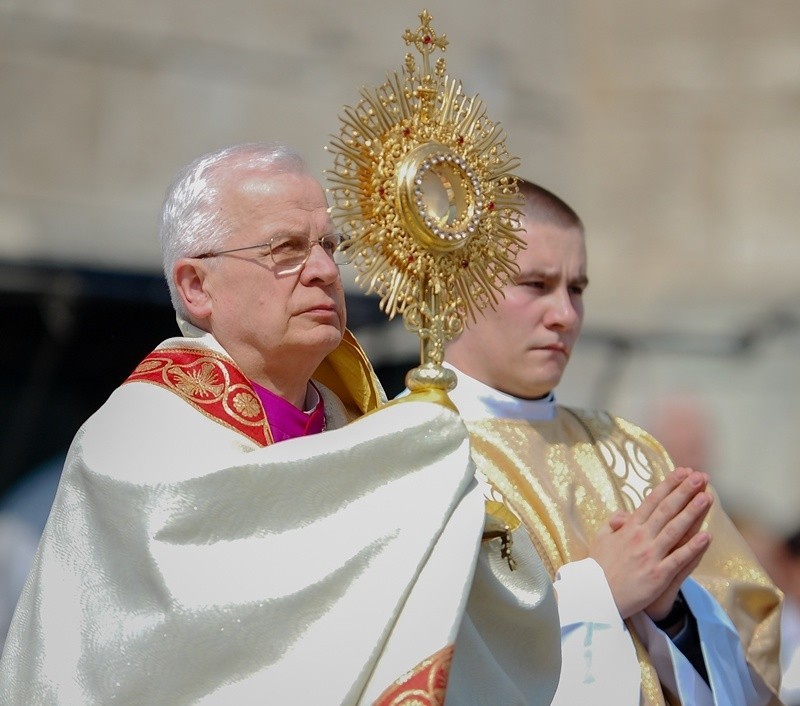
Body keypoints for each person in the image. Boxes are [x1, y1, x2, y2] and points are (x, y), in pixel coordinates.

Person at [0, 143, 500, 704]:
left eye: (331, 246)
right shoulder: (133, 445)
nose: (325, 271)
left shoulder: (365, 428)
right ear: (196, 287)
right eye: (285, 250)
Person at [441, 179, 784, 705]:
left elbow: (757, 667)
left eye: (576, 289)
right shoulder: (417, 454)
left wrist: (671, 614)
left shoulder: (629, 451)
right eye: (535, 284)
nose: (566, 315)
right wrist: (599, 592)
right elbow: (437, 663)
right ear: (457, 287)